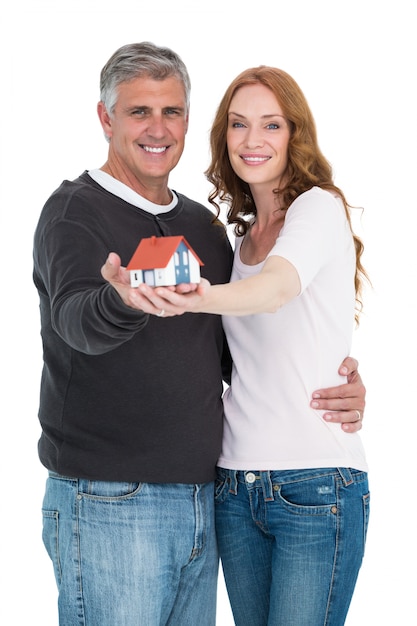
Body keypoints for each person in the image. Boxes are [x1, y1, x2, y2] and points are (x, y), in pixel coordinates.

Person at [33, 41, 365, 626]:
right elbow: (74, 319)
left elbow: (234, 352)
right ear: (106, 118)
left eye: (173, 111)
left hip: (208, 498)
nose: (158, 129)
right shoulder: (74, 212)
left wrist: (338, 377)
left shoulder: (206, 231)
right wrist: (121, 298)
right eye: (139, 112)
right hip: (111, 500)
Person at [137, 65, 370, 625]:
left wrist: (195, 296)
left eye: (271, 124)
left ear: (295, 135)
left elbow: (277, 290)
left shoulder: (318, 208)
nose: (253, 140)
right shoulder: (237, 241)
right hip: (234, 486)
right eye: (239, 125)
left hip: (314, 485)